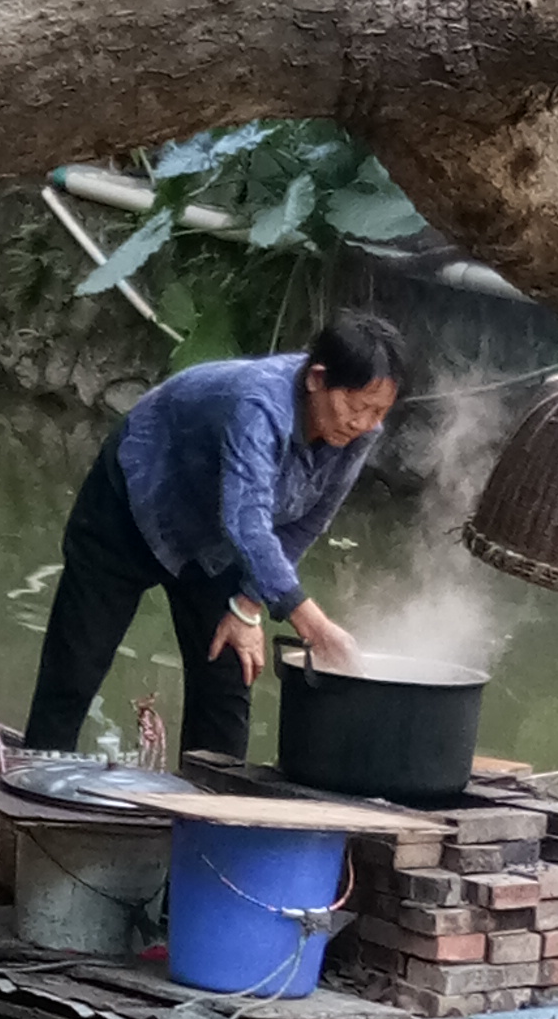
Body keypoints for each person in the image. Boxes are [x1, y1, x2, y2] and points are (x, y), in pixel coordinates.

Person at [23, 313, 406, 760]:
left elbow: (306, 522)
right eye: (355, 406)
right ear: (317, 379)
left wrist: (247, 605)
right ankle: (35, 779)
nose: (362, 422)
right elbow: (247, 521)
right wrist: (315, 627)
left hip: (216, 547)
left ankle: (208, 813)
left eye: (378, 411)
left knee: (227, 682)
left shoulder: (360, 435)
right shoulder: (259, 405)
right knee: (76, 665)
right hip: (136, 499)